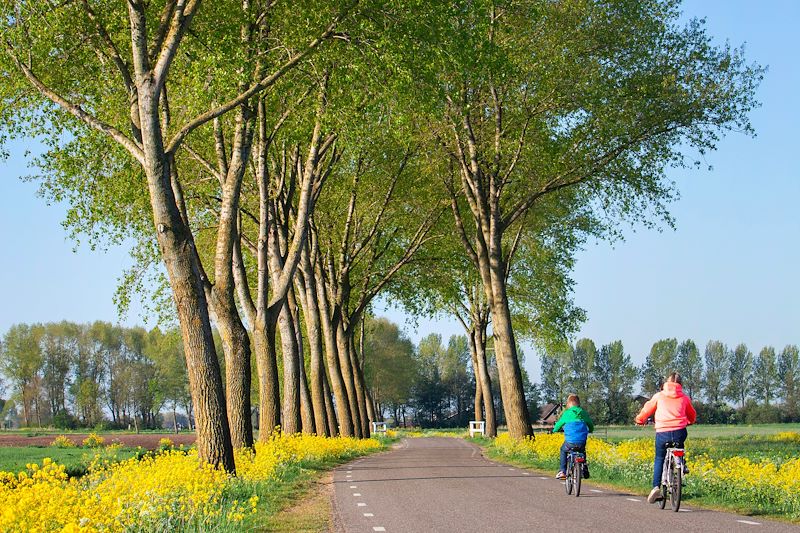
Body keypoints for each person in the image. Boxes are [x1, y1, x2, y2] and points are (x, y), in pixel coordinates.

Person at [635, 372, 697, 503]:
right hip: (679, 431)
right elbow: (692, 414)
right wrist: (690, 421)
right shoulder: (684, 398)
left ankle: (656, 487)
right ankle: (681, 463)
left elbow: (646, 410)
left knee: (659, 458)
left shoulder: (659, 396)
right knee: (680, 442)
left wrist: (640, 420)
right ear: (680, 384)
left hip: (662, 432)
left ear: (666, 383)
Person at [552, 394, 594, 480]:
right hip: (581, 442)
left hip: (570, 443)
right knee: (582, 451)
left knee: (563, 450)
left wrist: (555, 430)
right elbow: (590, 424)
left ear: (568, 404)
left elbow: (558, 425)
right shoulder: (583, 412)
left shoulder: (567, 413)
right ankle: (584, 468)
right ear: (578, 403)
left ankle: (562, 471)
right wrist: (590, 430)